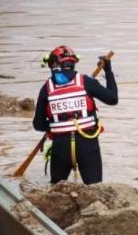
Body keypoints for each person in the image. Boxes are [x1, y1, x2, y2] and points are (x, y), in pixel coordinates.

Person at [32, 45, 118, 185]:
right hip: (87, 144)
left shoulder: (46, 88)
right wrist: (108, 71)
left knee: (57, 190)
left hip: (61, 147)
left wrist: (54, 125)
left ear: (53, 65)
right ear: (72, 63)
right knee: (95, 189)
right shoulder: (86, 82)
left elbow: (38, 125)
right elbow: (113, 99)